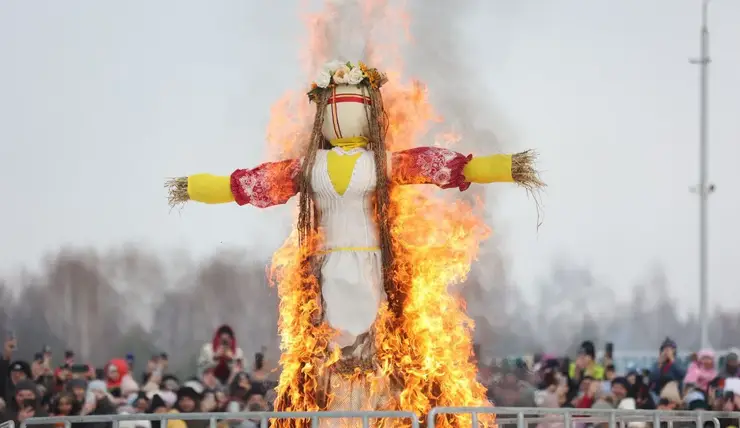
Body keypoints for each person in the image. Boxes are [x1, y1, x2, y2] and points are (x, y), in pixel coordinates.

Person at [166, 59, 542, 416]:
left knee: (377, 349)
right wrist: (192, 187)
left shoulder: (382, 163)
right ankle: (336, 415)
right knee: (331, 352)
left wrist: (504, 167)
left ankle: (376, 413)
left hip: (373, 264)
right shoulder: (309, 167)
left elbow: (440, 165)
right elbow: (249, 184)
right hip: (327, 267)